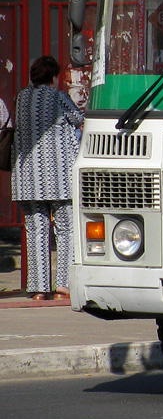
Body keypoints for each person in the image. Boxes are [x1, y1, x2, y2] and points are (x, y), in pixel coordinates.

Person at [12, 55, 83, 301]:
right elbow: (79, 119)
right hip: (59, 177)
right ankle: (63, 284)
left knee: (36, 229)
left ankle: (39, 287)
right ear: (53, 77)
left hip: (27, 178)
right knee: (65, 229)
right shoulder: (59, 97)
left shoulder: (21, 97)